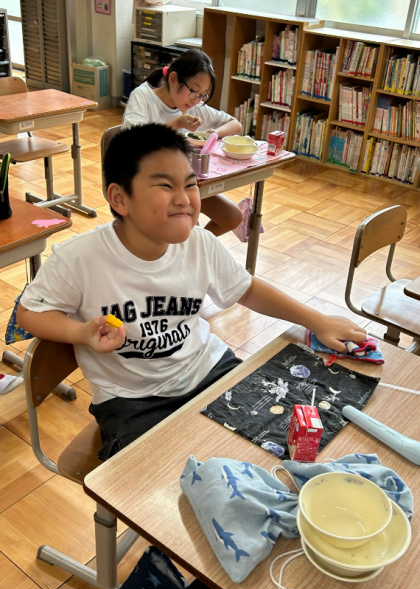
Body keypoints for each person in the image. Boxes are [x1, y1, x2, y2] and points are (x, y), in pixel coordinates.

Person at [17, 124, 366, 461]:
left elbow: (246, 290)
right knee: (160, 477)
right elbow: (29, 312)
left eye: (190, 184)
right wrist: (80, 332)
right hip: (132, 401)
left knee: (275, 440)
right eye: (165, 186)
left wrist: (315, 320)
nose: (185, 199)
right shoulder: (79, 258)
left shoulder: (200, 243)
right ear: (120, 198)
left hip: (208, 369)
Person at [122, 49, 243, 237]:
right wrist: (176, 124)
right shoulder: (143, 97)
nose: (197, 100)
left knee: (232, 217)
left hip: (183, 185)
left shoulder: (193, 106)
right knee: (187, 224)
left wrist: (213, 133)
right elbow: (132, 142)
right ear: (173, 79)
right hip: (147, 185)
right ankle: (182, 246)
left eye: (203, 94)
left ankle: (190, 248)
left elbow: (235, 124)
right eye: (194, 91)